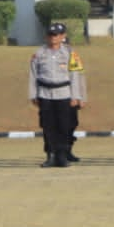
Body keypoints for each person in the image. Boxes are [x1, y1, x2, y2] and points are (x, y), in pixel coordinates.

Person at [28, 22, 86, 168]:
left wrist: (76, 96)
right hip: (45, 94)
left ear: (63, 36)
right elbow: (33, 75)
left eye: (56, 35)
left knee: (64, 126)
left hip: (64, 94)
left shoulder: (69, 53)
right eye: (50, 34)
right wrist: (33, 94)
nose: (53, 37)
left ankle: (62, 155)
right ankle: (50, 155)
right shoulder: (39, 53)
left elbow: (75, 75)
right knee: (48, 127)